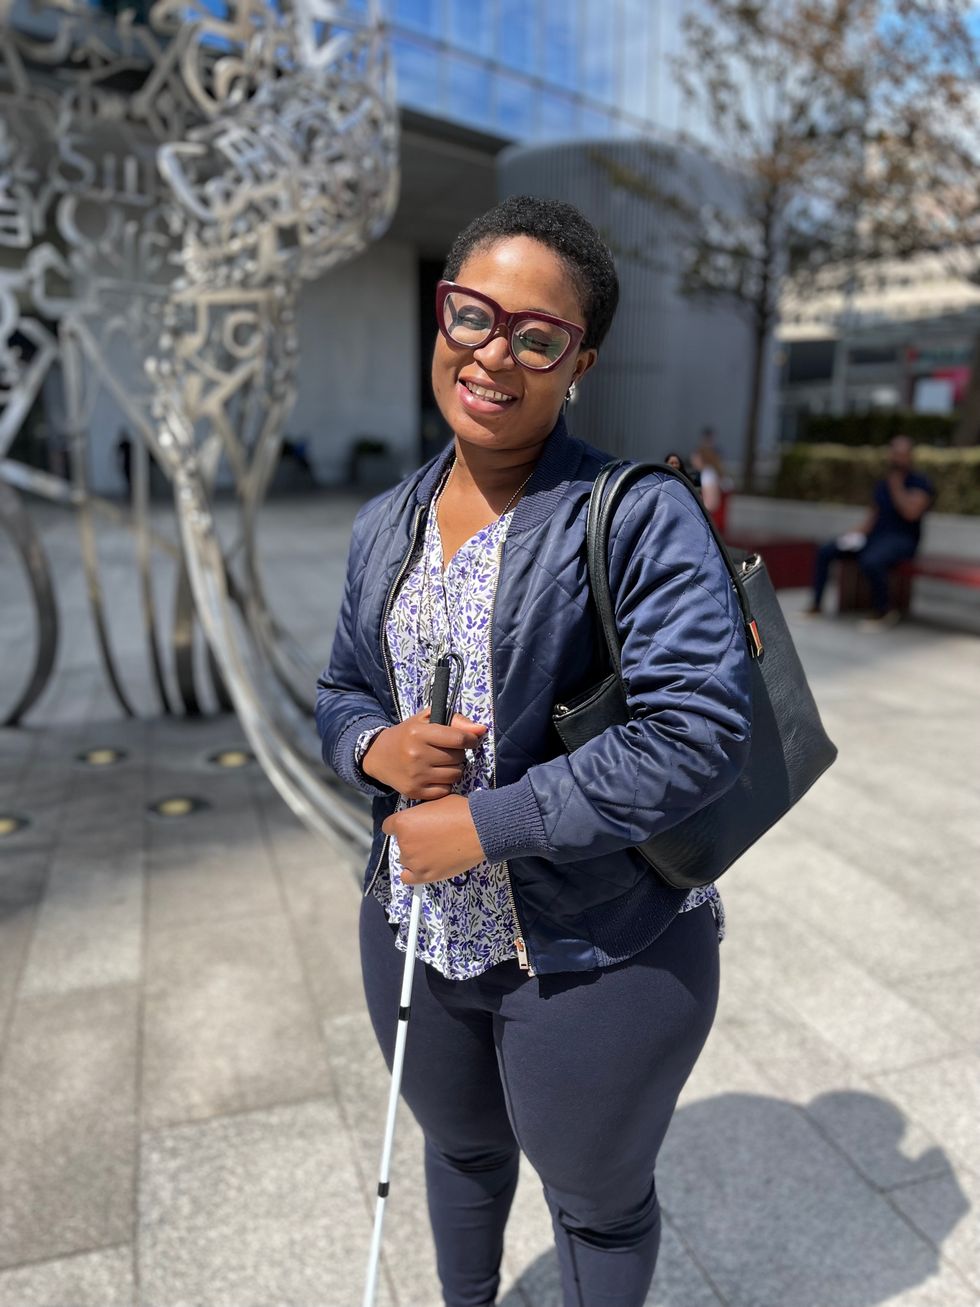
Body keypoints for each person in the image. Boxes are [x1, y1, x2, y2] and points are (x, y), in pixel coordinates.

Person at [315, 196, 752, 1307]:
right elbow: (337, 692)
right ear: (441, 315)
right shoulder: (386, 522)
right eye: (472, 315)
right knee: (459, 1150)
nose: (493, 353)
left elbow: (695, 729)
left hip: (596, 943)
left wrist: (479, 820)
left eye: (536, 336)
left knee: (595, 1201)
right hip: (417, 921)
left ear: (577, 363)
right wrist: (375, 747)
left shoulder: (635, 513)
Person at [805, 434, 935, 630]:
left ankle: (883, 611)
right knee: (826, 550)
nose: (897, 458)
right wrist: (849, 536)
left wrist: (897, 486)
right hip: (875, 538)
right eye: (894, 453)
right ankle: (816, 606)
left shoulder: (920, 482)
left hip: (902, 541)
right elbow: (872, 517)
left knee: (871, 561)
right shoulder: (882, 484)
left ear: (910, 456)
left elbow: (911, 513)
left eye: (901, 454)